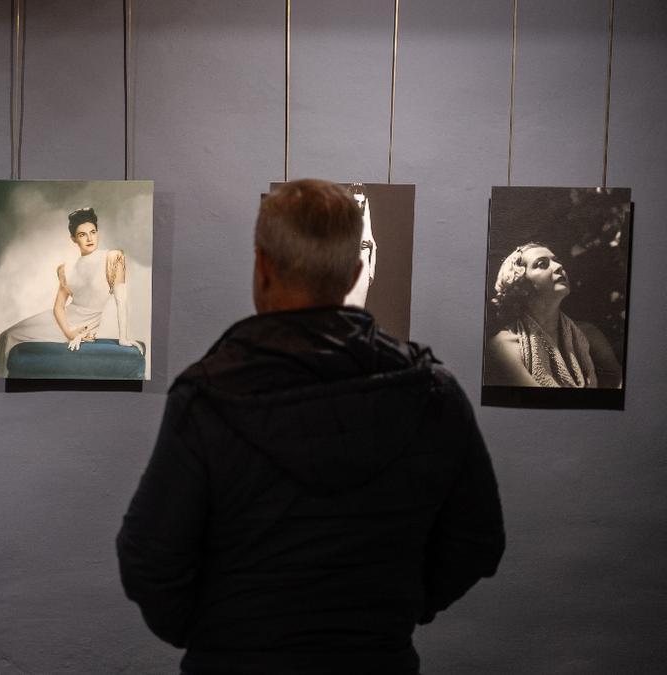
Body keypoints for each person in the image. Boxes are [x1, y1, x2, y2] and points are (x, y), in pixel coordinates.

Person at [117, 179, 505, 674]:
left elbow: (149, 557)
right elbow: (477, 540)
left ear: (262, 267)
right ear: (355, 268)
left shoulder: (208, 397)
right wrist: (392, 613)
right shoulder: (431, 393)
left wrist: (218, 633)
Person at [0, 207, 143, 377]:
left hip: (84, 324)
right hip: (60, 322)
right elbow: (58, 307)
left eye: (93, 232)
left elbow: (121, 301)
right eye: (82, 234)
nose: (89, 238)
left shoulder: (113, 258)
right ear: (73, 239)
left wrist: (123, 337)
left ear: (98, 233)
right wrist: (69, 333)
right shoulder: (66, 268)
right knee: (7, 336)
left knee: (9, 337)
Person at [484, 242, 621, 388]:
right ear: (521, 284)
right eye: (542, 264)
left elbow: (618, 382)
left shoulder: (588, 333)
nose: (558, 267)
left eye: (557, 261)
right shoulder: (503, 345)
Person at [344, 183, 377, 307]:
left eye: (362, 202)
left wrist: (370, 245)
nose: (360, 205)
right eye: (356, 201)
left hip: (363, 271)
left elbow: (373, 244)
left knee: (359, 306)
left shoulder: (366, 221)